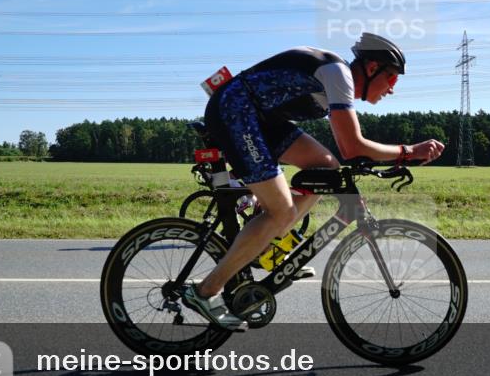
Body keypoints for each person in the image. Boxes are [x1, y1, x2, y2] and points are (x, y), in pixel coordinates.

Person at [181, 32, 445, 329]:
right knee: (281, 211)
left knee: (326, 169)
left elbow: (345, 152)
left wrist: (397, 157)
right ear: (372, 68)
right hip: (236, 112)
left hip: (259, 118)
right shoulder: (337, 74)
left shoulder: (335, 80)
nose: (392, 89)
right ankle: (205, 291)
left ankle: (265, 246)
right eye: (392, 78)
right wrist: (408, 152)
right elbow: (352, 146)